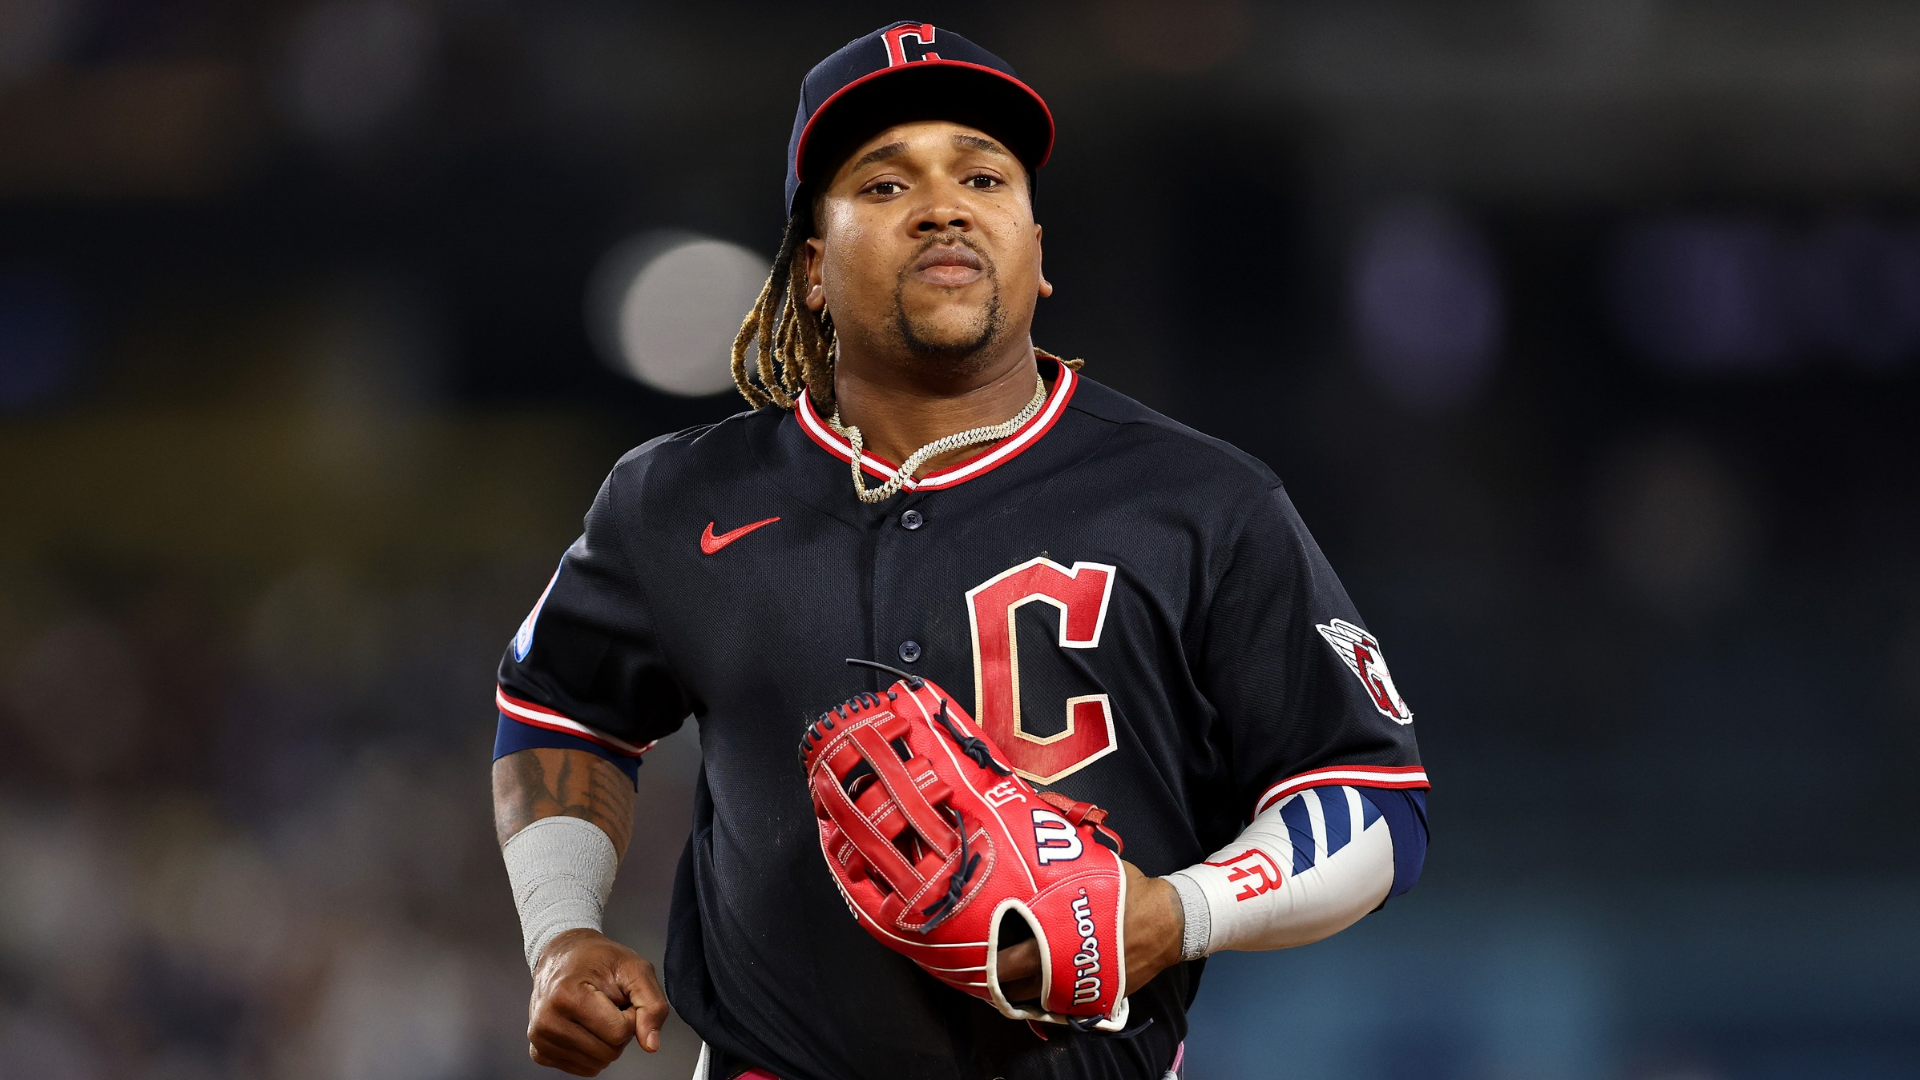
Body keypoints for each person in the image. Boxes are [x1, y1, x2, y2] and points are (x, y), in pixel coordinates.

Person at [491, 21, 1429, 1080]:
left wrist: (1182, 912)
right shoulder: (680, 497)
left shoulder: (1202, 501)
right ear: (808, 267)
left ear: (1038, 253)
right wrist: (560, 931)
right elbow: (560, 707)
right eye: (885, 186)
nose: (942, 205)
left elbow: (1368, 802)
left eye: (983, 178)